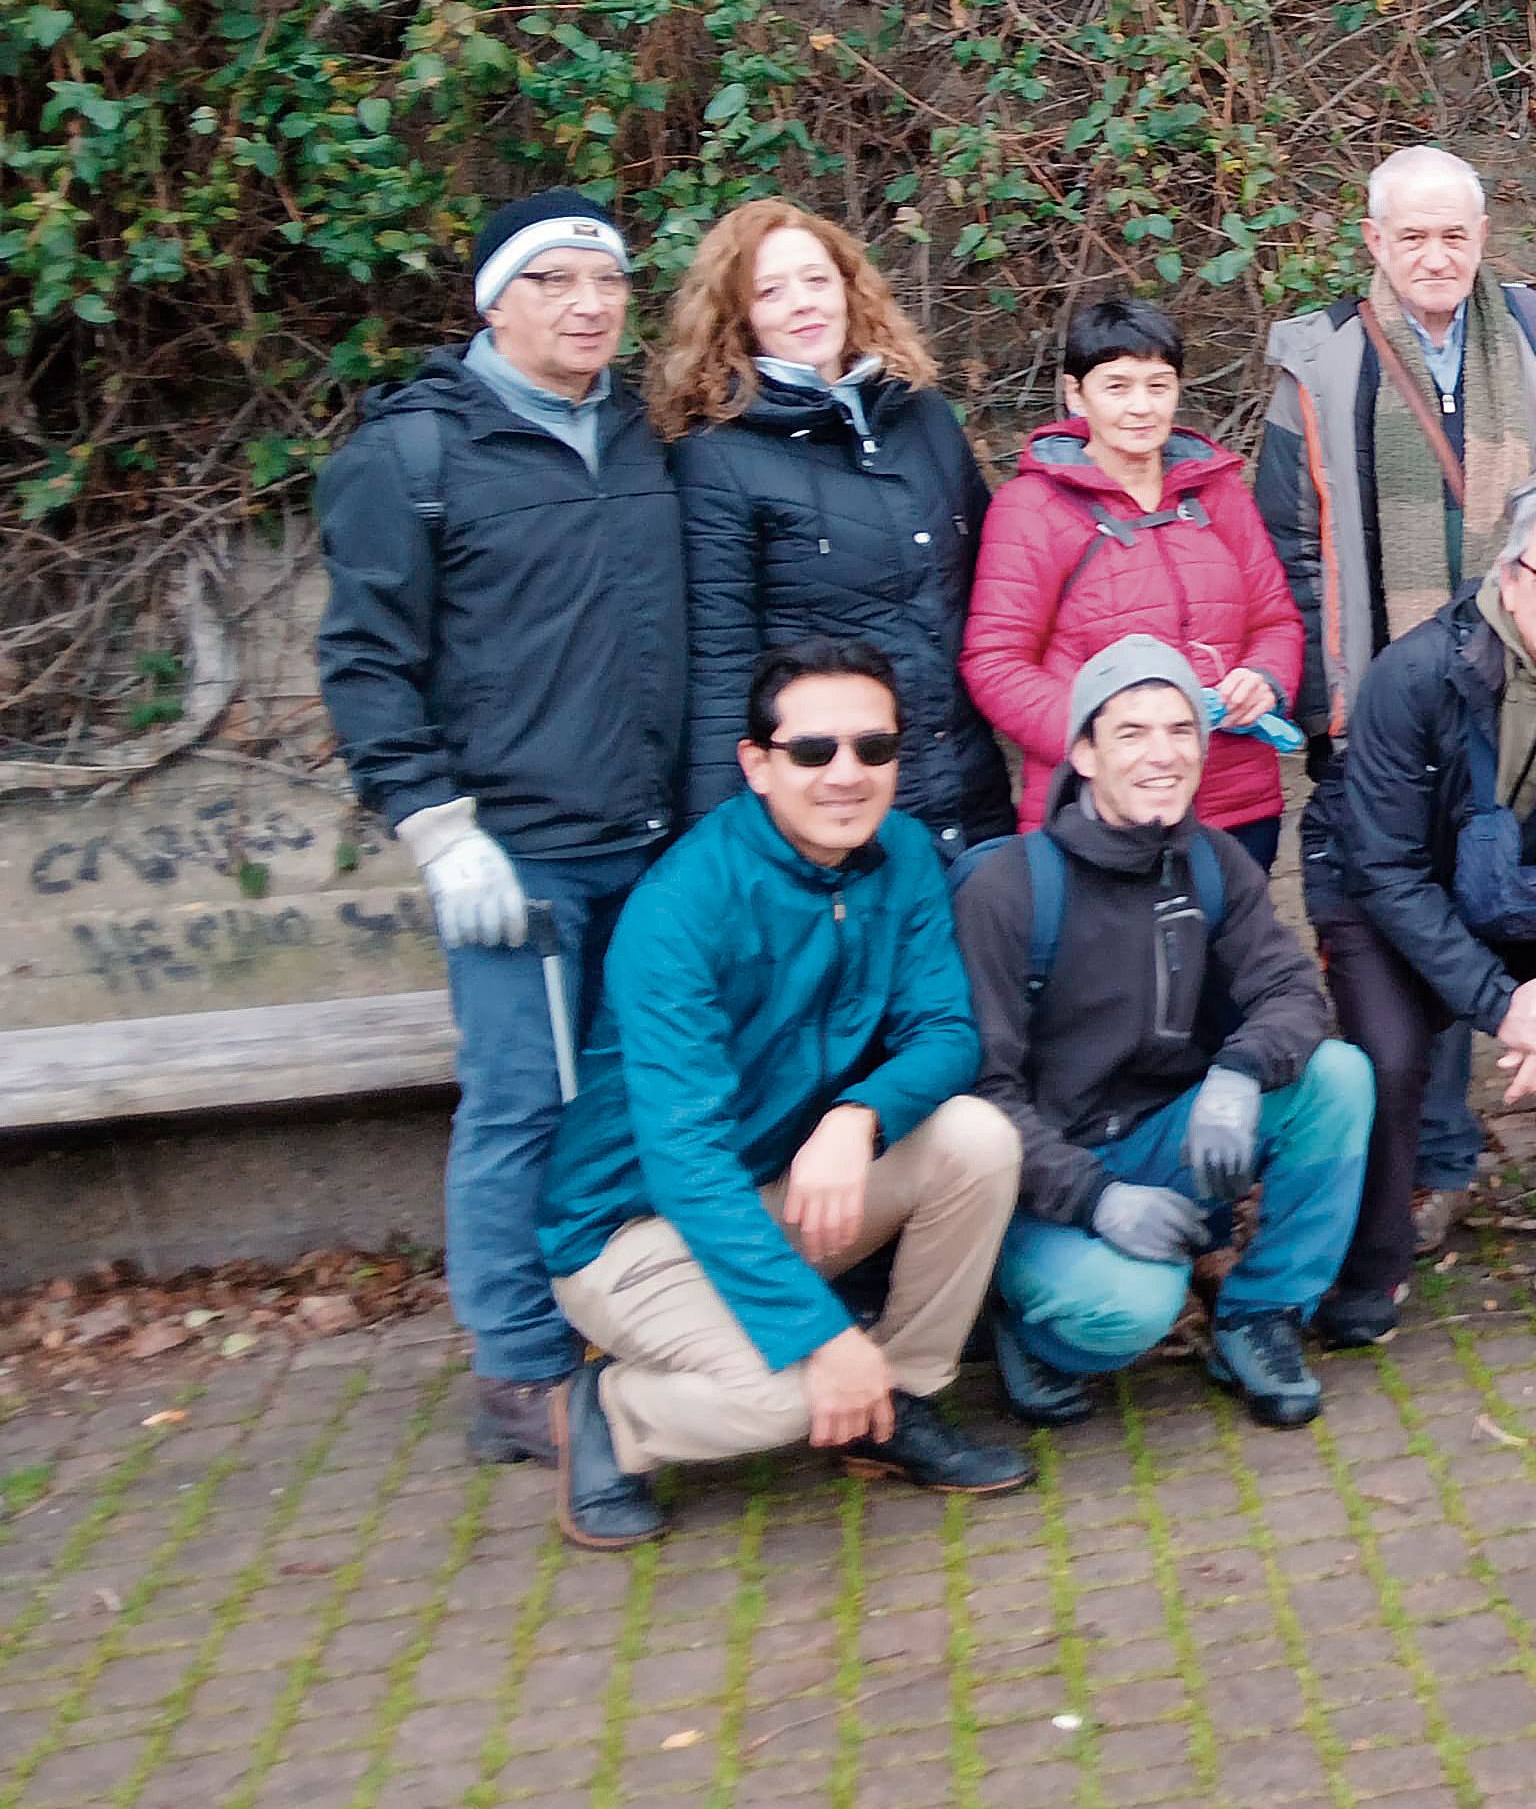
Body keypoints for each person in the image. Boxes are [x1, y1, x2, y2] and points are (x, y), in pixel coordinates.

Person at [1257, 145, 1536, 1257]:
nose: (1435, 256)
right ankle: (1441, 1171)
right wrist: (1328, 711)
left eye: (1455, 234)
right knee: (1425, 921)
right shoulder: (1321, 366)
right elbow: (1288, 547)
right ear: (1372, 243)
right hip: (1402, 697)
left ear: (1483, 236)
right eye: (1411, 236)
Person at [315, 187, 688, 1473]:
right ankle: (518, 1367)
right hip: (519, 855)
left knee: (638, 1094)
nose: (588, 305)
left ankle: (620, 1319)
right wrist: (433, 827)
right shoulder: (413, 458)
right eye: (554, 283)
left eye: (608, 283)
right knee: (523, 1102)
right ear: (493, 301)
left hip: (651, 842)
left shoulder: (645, 435)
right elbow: (365, 661)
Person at [531, 639, 1028, 1548]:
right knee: (786, 1402)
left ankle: (900, 1403)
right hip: (633, 1231)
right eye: (814, 752)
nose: (848, 775)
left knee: (975, 1137)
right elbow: (684, 1164)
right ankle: (612, 1410)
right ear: (757, 767)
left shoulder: (904, 855)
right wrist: (823, 1337)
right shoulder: (682, 906)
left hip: (780, 1188)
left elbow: (949, 1034)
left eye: (874, 750)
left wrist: (857, 1116)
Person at [1308, 479, 1536, 1342]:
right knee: (1390, 1054)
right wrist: (1501, 1002)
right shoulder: (1415, 674)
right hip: (1382, 891)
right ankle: (1373, 1260)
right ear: (1508, 575)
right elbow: (1386, 865)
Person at [964, 637, 1370, 1432]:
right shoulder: (1008, 888)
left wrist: (1239, 1074)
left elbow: (1291, 992)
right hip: (1040, 1178)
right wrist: (1093, 1196)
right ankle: (1030, 1329)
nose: (1163, 755)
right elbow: (980, 1092)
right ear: (1082, 752)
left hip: (1161, 1139)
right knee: (1133, 1310)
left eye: (1182, 730)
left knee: (1338, 1077)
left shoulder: (1213, 863)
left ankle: (1262, 1316)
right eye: (1131, 733)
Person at [659, 199, 1013, 860]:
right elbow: (720, 666)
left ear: (849, 290)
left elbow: (996, 595)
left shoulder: (921, 414)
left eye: (817, 280)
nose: (802, 304)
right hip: (838, 814)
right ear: (740, 317)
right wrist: (715, 846)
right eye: (771, 290)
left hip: (973, 797)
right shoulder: (717, 454)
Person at [964, 297, 1305, 868]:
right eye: (1117, 386)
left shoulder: (1217, 492)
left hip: (1234, 802)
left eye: (1158, 385)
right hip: (1097, 807)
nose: (1141, 407)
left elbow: (1275, 619)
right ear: (1077, 394)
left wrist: (1265, 679)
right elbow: (994, 662)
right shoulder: (1032, 507)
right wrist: (1101, 738)